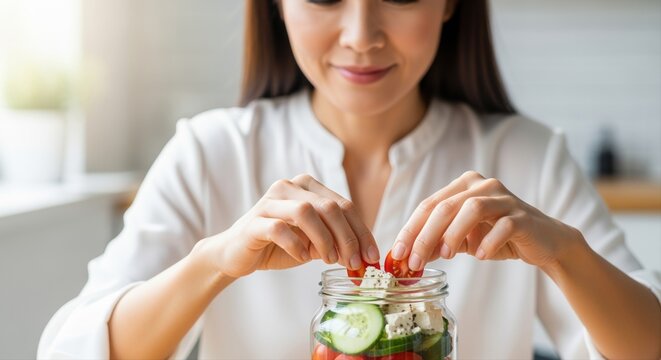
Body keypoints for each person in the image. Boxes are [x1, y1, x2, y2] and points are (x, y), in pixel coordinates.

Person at [39, 0, 660, 359]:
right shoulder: (211, 151)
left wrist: (568, 255)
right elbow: (68, 350)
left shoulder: (527, 156)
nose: (362, 37)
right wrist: (215, 262)